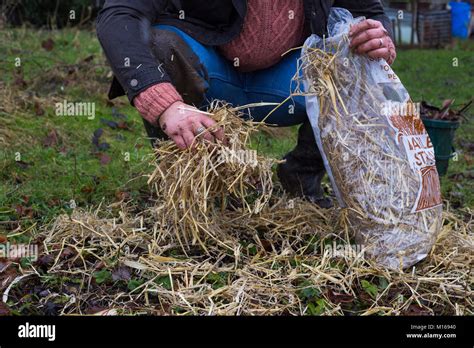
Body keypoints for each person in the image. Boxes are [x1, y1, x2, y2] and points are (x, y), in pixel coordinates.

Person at [97, 0, 397, 207]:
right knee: (160, 45)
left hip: (284, 86)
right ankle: (190, 190)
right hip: (208, 73)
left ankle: (302, 175)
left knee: (353, 57)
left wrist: (380, 37)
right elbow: (119, 15)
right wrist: (163, 103)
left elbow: (367, 12)